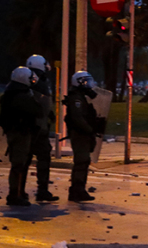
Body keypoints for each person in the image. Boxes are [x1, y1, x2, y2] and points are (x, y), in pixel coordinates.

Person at [0, 67, 42, 206]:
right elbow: (37, 110)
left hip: (15, 131)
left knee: (19, 164)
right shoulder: (21, 96)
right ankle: (15, 194)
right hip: (20, 133)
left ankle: (18, 192)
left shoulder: (11, 93)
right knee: (19, 164)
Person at [25, 54, 58, 202]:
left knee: (28, 159)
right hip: (36, 127)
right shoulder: (36, 81)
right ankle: (41, 190)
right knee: (42, 158)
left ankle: (20, 191)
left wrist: (49, 112)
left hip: (35, 126)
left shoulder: (30, 79)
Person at [65, 71, 101, 202]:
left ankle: (79, 190)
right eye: (87, 81)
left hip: (83, 133)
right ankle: (77, 190)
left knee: (84, 161)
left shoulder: (81, 96)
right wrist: (89, 129)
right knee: (81, 161)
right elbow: (78, 118)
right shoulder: (76, 98)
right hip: (80, 134)